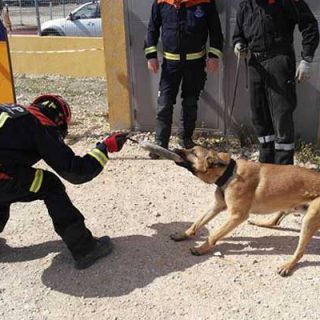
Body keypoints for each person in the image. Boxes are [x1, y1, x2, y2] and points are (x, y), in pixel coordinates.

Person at [0, 95, 128, 269]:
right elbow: (75, 172)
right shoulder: (41, 125)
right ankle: (85, 248)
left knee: (11, 177)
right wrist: (105, 148)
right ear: (59, 119)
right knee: (50, 185)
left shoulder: (13, 112)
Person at [233, 0, 319, 165]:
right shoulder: (246, 5)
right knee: (259, 116)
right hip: (255, 65)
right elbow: (239, 34)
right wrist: (238, 44)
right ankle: (266, 163)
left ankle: (283, 169)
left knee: (282, 118)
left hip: (279, 62)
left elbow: (309, 26)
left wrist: (307, 59)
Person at [144, 0, 223, 157]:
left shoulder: (205, 2)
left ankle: (186, 140)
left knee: (190, 102)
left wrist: (214, 56)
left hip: (195, 64)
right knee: (164, 103)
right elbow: (152, 29)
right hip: (170, 65)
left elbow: (215, 31)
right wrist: (151, 56)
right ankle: (161, 143)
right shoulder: (162, 2)